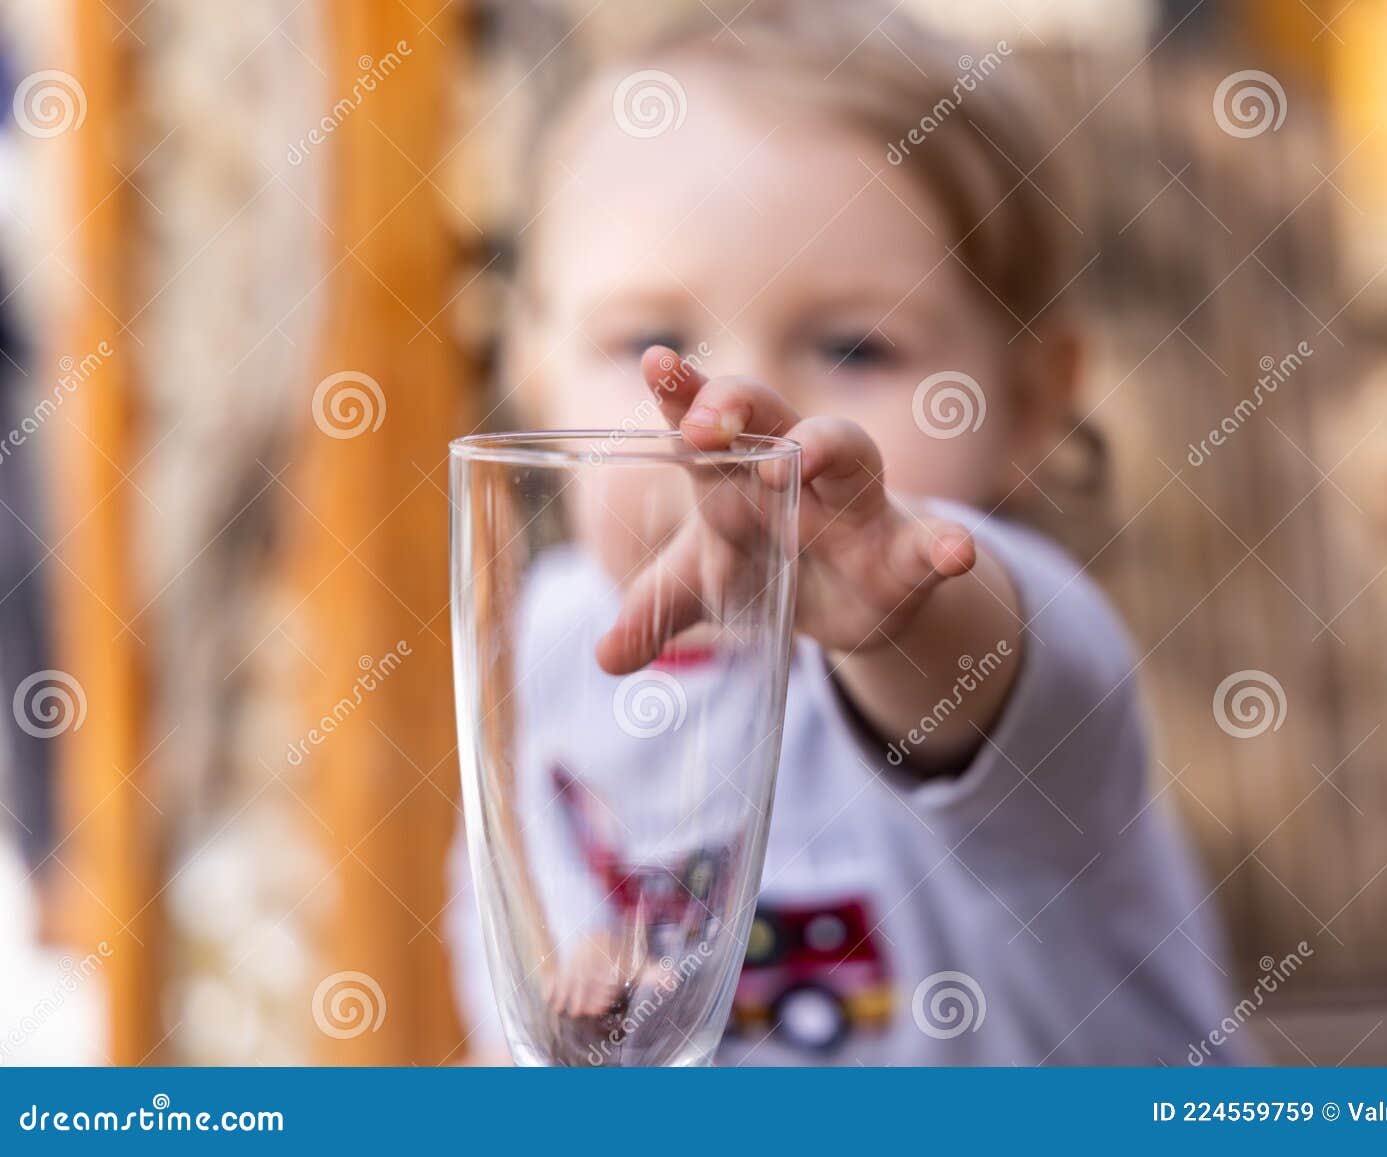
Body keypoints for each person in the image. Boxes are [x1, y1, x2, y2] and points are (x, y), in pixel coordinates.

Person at [449, 0, 1249, 1065]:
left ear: (1027, 401)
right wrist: (580, 975)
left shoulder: (992, 617)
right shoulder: (551, 634)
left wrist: (895, 604)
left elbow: (972, 661)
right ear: (533, 369)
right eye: (650, 338)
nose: (735, 413)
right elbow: (509, 907)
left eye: (857, 346)